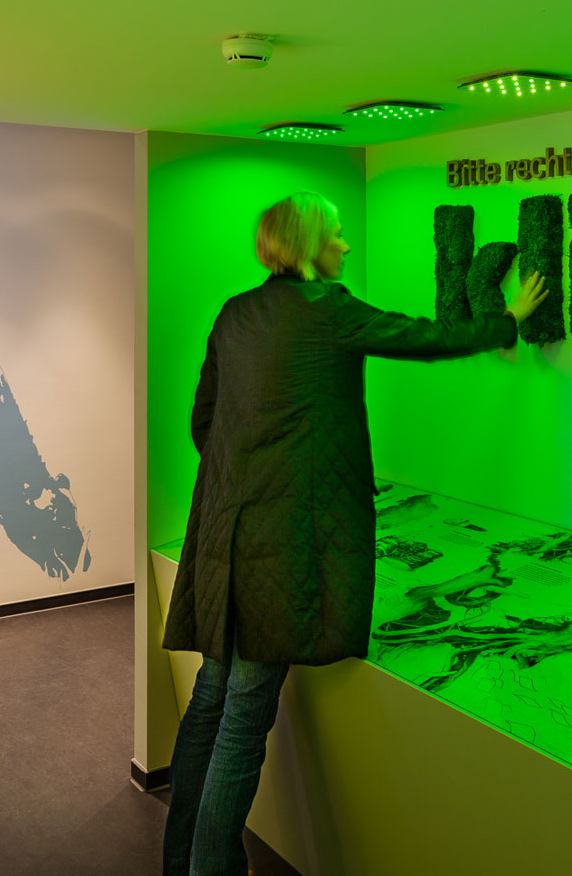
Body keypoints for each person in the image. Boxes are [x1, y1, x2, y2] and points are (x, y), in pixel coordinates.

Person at [160, 190, 549, 875]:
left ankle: (179, 859)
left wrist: (243, 474)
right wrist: (507, 320)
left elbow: (204, 423)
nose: (345, 244)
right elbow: (421, 338)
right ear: (309, 244)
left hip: (220, 535)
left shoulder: (235, 313)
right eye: (336, 234)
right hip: (280, 545)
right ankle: (210, 865)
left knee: (209, 698)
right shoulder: (328, 310)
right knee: (245, 714)